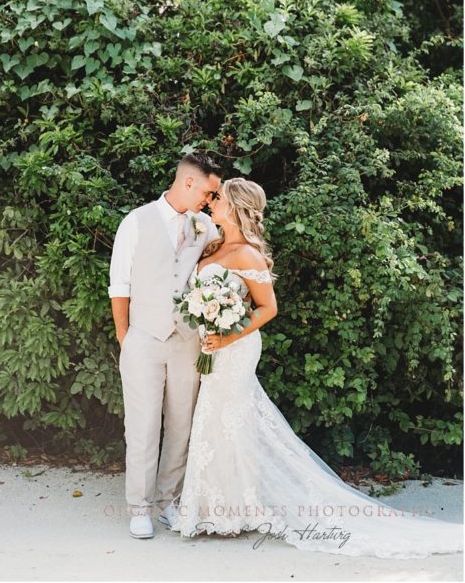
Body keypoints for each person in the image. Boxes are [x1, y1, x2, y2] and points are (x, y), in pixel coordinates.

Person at [164, 178, 464, 557]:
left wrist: (227, 337)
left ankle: (228, 512)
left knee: (226, 419)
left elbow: (268, 308)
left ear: (236, 207)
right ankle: (217, 508)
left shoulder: (247, 254)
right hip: (213, 345)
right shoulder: (214, 244)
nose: (212, 202)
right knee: (214, 418)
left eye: (219, 198)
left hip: (235, 348)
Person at [108, 151, 222, 540]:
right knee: (141, 426)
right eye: (208, 192)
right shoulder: (135, 222)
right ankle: (139, 507)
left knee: (181, 425)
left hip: (187, 340)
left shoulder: (207, 227)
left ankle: (168, 502)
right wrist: (126, 337)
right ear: (188, 182)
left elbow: (220, 272)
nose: (210, 201)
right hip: (143, 338)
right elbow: (119, 284)